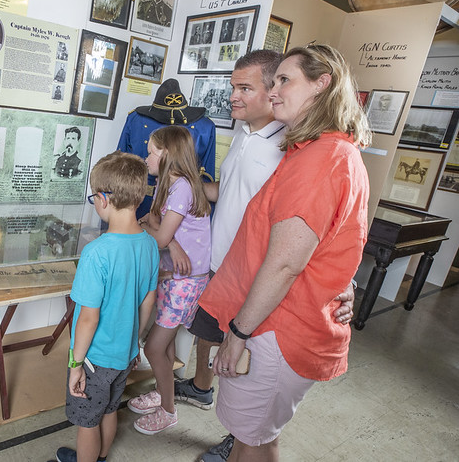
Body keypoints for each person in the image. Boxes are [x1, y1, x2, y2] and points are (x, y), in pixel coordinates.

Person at [171, 50, 355, 462]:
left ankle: (234, 438)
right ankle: (210, 398)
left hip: (270, 310)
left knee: (253, 431)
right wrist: (181, 187)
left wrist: (238, 333)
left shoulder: (315, 157)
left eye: (281, 82)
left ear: (321, 83)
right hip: (237, 279)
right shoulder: (298, 147)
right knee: (249, 421)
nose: (273, 93)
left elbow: (290, 257)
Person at [55, 151, 159, 462]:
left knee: (87, 422)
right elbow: (148, 300)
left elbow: (88, 317)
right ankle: (101, 457)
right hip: (125, 354)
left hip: (95, 358)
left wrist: (76, 364)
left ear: (102, 199)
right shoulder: (150, 244)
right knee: (111, 408)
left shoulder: (96, 253)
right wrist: (135, 340)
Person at [126, 126, 211, 435]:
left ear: (167, 155)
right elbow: (159, 226)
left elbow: (158, 232)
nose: (146, 156)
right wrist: (169, 240)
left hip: (184, 281)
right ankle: (165, 392)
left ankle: (168, 410)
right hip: (173, 274)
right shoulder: (171, 182)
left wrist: (159, 235)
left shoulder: (182, 188)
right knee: (167, 344)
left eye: (151, 151)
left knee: (153, 348)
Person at [117, 78, 216, 218]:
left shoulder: (205, 127)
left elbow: (206, 175)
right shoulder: (135, 119)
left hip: (182, 203)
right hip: (137, 199)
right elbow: (120, 165)